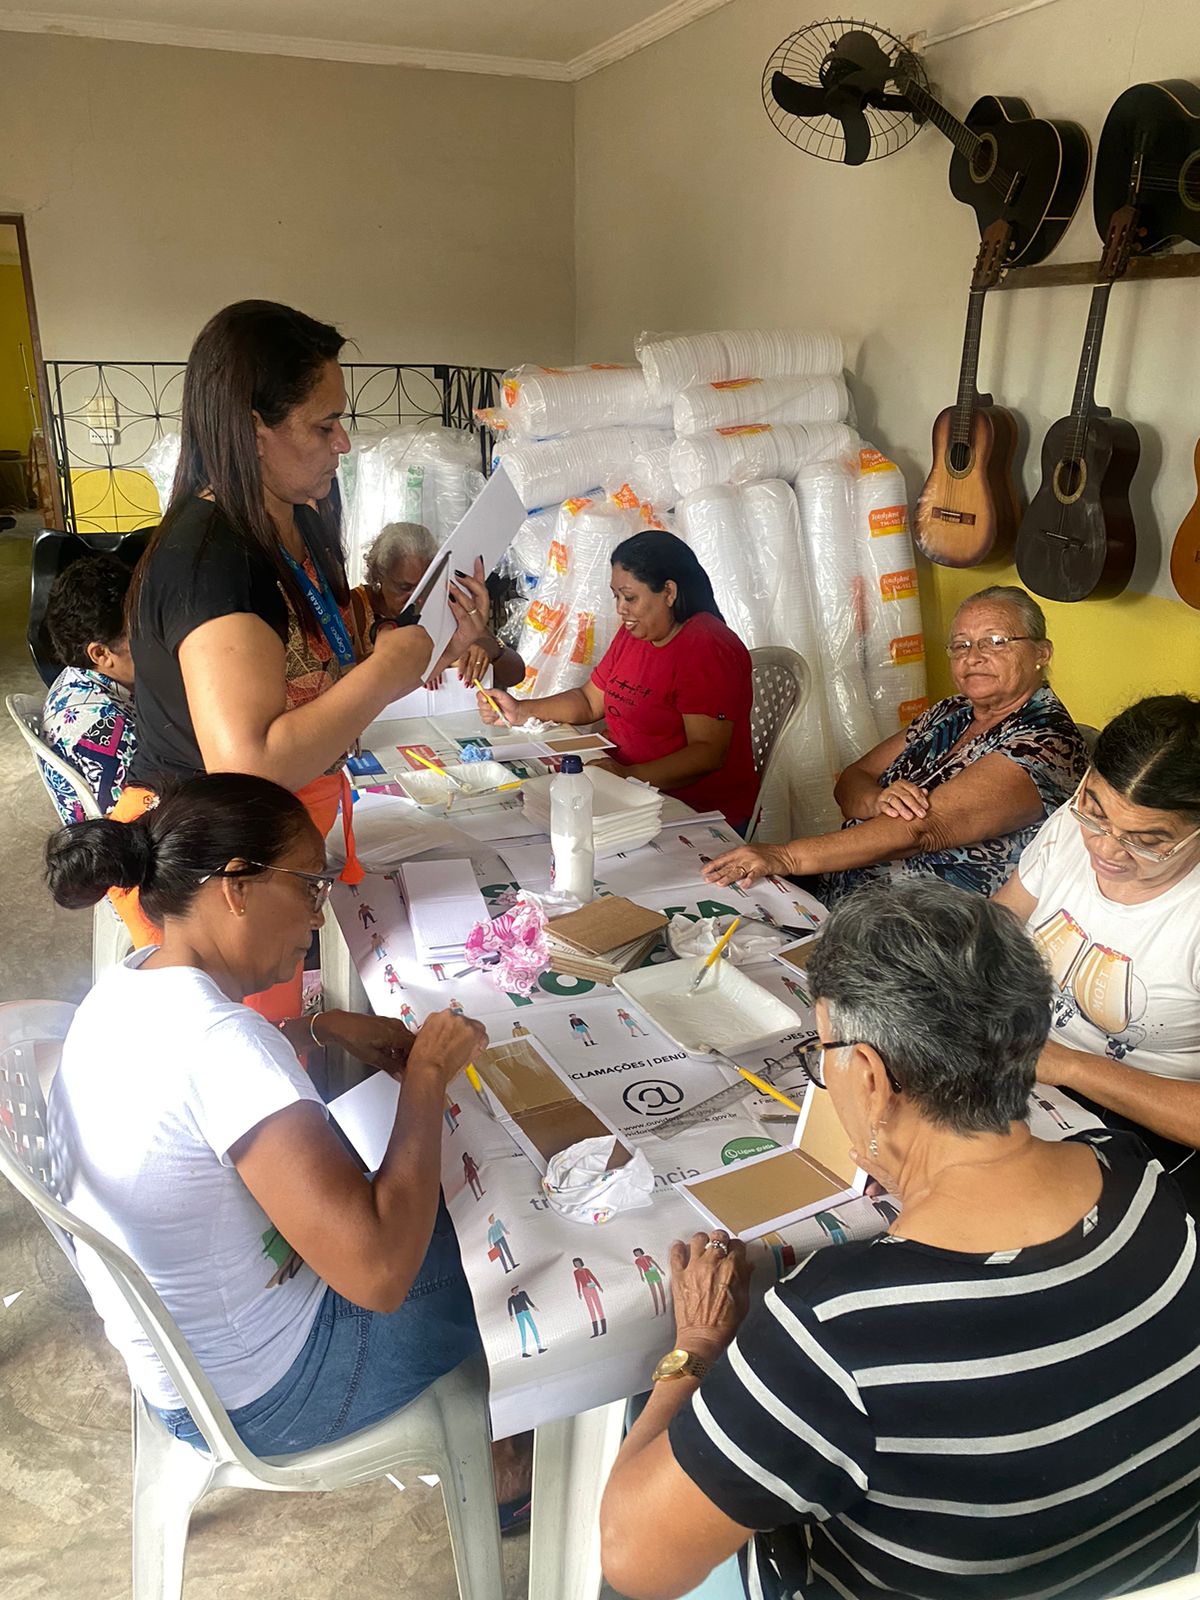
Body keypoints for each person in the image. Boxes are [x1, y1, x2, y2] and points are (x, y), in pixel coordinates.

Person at [600, 878, 1200, 1600]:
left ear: (870, 1077)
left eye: (824, 1050)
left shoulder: (833, 1329)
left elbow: (633, 1562)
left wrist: (694, 1349)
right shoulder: (1140, 1179)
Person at [42, 772, 487, 1458]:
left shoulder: (131, 983)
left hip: (193, 1372)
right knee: (505, 1248)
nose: (318, 916)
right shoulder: (224, 1045)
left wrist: (318, 1028)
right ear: (236, 887)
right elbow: (378, 1275)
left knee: (440, 1192)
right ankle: (514, 1456)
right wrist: (426, 1074)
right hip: (268, 1395)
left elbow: (201, 1084)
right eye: (309, 886)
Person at [115, 301, 480, 996]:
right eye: (323, 424)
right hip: (216, 876)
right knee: (249, 1049)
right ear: (254, 431)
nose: (343, 443)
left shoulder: (297, 524)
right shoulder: (214, 559)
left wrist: (439, 646)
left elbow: (324, 688)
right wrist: (383, 672)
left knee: (297, 1020)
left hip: (275, 848)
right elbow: (248, 763)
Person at [702, 585, 1087, 897]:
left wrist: (785, 857)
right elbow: (852, 779)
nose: (974, 657)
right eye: (961, 645)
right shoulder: (951, 712)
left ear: (1041, 653)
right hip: (850, 890)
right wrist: (876, 800)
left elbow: (921, 830)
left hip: (924, 924)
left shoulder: (1048, 743)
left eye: (996, 641)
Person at [995, 694, 1200, 1208]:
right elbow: (998, 924)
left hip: (1148, 1120)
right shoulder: (1073, 825)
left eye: (1147, 840)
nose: (1105, 848)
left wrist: (1068, 1066)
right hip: (1033, 1066)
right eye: (1094, 811)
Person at [477, 530, 760, 830]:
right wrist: (521, 710)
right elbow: (589, 701)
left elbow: (706, 753)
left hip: (691, 810)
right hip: (628, 790)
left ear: (669, 592)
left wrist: (626, 775)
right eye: (617, 597)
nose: (620, 609)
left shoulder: (706, 648)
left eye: (630, 598)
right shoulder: (635, 634)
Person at [350, 521, 525, 689]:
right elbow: (343, 681)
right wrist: (422, 660)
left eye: (426, 586)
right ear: (379, 576)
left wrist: (487, 648)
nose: (418, 599)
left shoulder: (445, 603)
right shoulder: (354, 607)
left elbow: (516, 674)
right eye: (405, 588)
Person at [40, 554, 138, 823]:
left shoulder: (72, 677)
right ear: (101, 653)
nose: (155, 639)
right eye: (140, 632)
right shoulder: (111, 734)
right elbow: (136, 823)